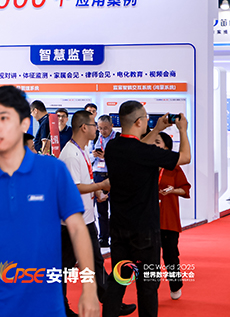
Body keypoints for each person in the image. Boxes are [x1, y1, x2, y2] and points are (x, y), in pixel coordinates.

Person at [0, 86, 98, 317]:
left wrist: (89, 289)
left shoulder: (54, 171)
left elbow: (78, 230)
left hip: (44, 305)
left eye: (4, 118)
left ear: (24, 123)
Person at [101, 102, 190, 317]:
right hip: (145, 231)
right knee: (147, 286)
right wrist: (182, 130)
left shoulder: (112, 147)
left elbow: (136, 148)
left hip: (119, 227)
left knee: (118, 280)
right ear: (139, 122)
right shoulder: (146, 152)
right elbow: (185, 157)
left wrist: (157, 129)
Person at [58, 111, 135, 317]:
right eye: (94, 125)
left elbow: (84, 181)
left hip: (85, 219)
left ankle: (111, 303)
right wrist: (100, 185)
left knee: (96, 263)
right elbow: (74, 187)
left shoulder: (82, 149)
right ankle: (60, 308)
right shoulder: (70, 154)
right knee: (64, 268)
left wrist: (96, 191)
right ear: (84, 127)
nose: (97, 130)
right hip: (72, 223)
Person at [151, 131, 191, 300]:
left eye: (157, 142)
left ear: (166, 147)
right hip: (149, 219)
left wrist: (173, 190)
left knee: (170, 256)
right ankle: (150, 289)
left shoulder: (174, 167)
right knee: (150, 258)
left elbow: (185, 189)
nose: (154, 145)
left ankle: (175, 285)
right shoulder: (147, 166)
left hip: (169, 219)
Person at [92, 115, 116, 247]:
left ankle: (115, 237)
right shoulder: (95, 137)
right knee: (101, 210)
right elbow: (88, 157)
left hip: (112, 175)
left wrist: (107, 156)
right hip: (98, 174)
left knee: (115, 209)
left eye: (105, 128)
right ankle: (103, 238)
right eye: (100, 128)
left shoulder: (117, 138)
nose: (103, 131)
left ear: (112, 126)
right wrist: (94, 155)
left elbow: (121, 158)